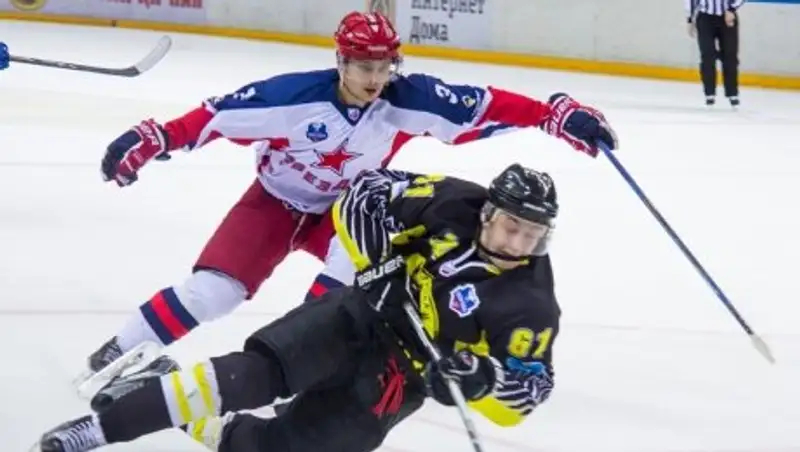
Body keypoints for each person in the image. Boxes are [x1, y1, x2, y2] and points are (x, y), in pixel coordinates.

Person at [77, 9, 615, 394]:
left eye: (384, 67)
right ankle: (117, 351)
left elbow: (482, 105)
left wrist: (552, 115)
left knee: (343, 279)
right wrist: (155, 138)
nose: (375, 79)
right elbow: (215, 117)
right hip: (273, 203)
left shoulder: (408, 100)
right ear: (341, 61)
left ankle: (297, 363)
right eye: (363, 67)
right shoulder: (292, 98)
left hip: (347, 211)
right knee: (213, 293)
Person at [37, 163, 562, 452]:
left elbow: (528, 390)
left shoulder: (530, 305)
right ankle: (96, 431)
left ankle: (158, 383)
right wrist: (377, 261)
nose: (519, 243)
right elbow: (366, 193)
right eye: (512, 226)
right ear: (489, 212)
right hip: (357, 317)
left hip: (401, 379)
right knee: (251, 377)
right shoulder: (452, 201)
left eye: (532, 234)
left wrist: (481, 380)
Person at [686, 0, 744, 107]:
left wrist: (732, 9)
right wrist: (690, 19)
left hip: (727, 17)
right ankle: (709, 93)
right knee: (707, 55)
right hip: (705, 18)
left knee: (730, 55)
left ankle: (732, 93)